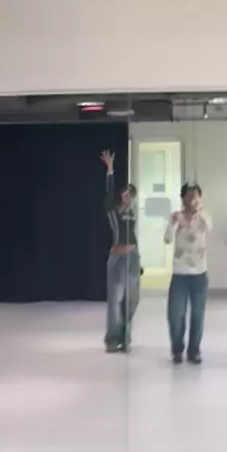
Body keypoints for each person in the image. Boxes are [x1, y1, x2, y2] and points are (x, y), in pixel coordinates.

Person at [164, 182, 212, 365]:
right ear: (183, 197)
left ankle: (194, 351)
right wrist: (173, 223)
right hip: (180, 274)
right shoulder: (176, 216)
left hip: (199, 273)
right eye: (189, 195)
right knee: (176, 315)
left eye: (196, 195)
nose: (192, 199)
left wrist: (198, 211)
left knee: (198, 315)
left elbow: (208, 226)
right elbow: (167, 239)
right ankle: (177, 350)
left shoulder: (203, 216)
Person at [101, 149, 141, 354]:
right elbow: (108, 196)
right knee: (115, 301)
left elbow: (133, 236)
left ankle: (125, 337)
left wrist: (138, 259)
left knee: (132, 300)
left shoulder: (133, 213)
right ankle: (112, 339)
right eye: (126, 193)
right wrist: (110, 170)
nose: (128, 197)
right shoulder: (113, 211)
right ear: (121, 195)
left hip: (132, 259)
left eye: (131, 194)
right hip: (117, 259)